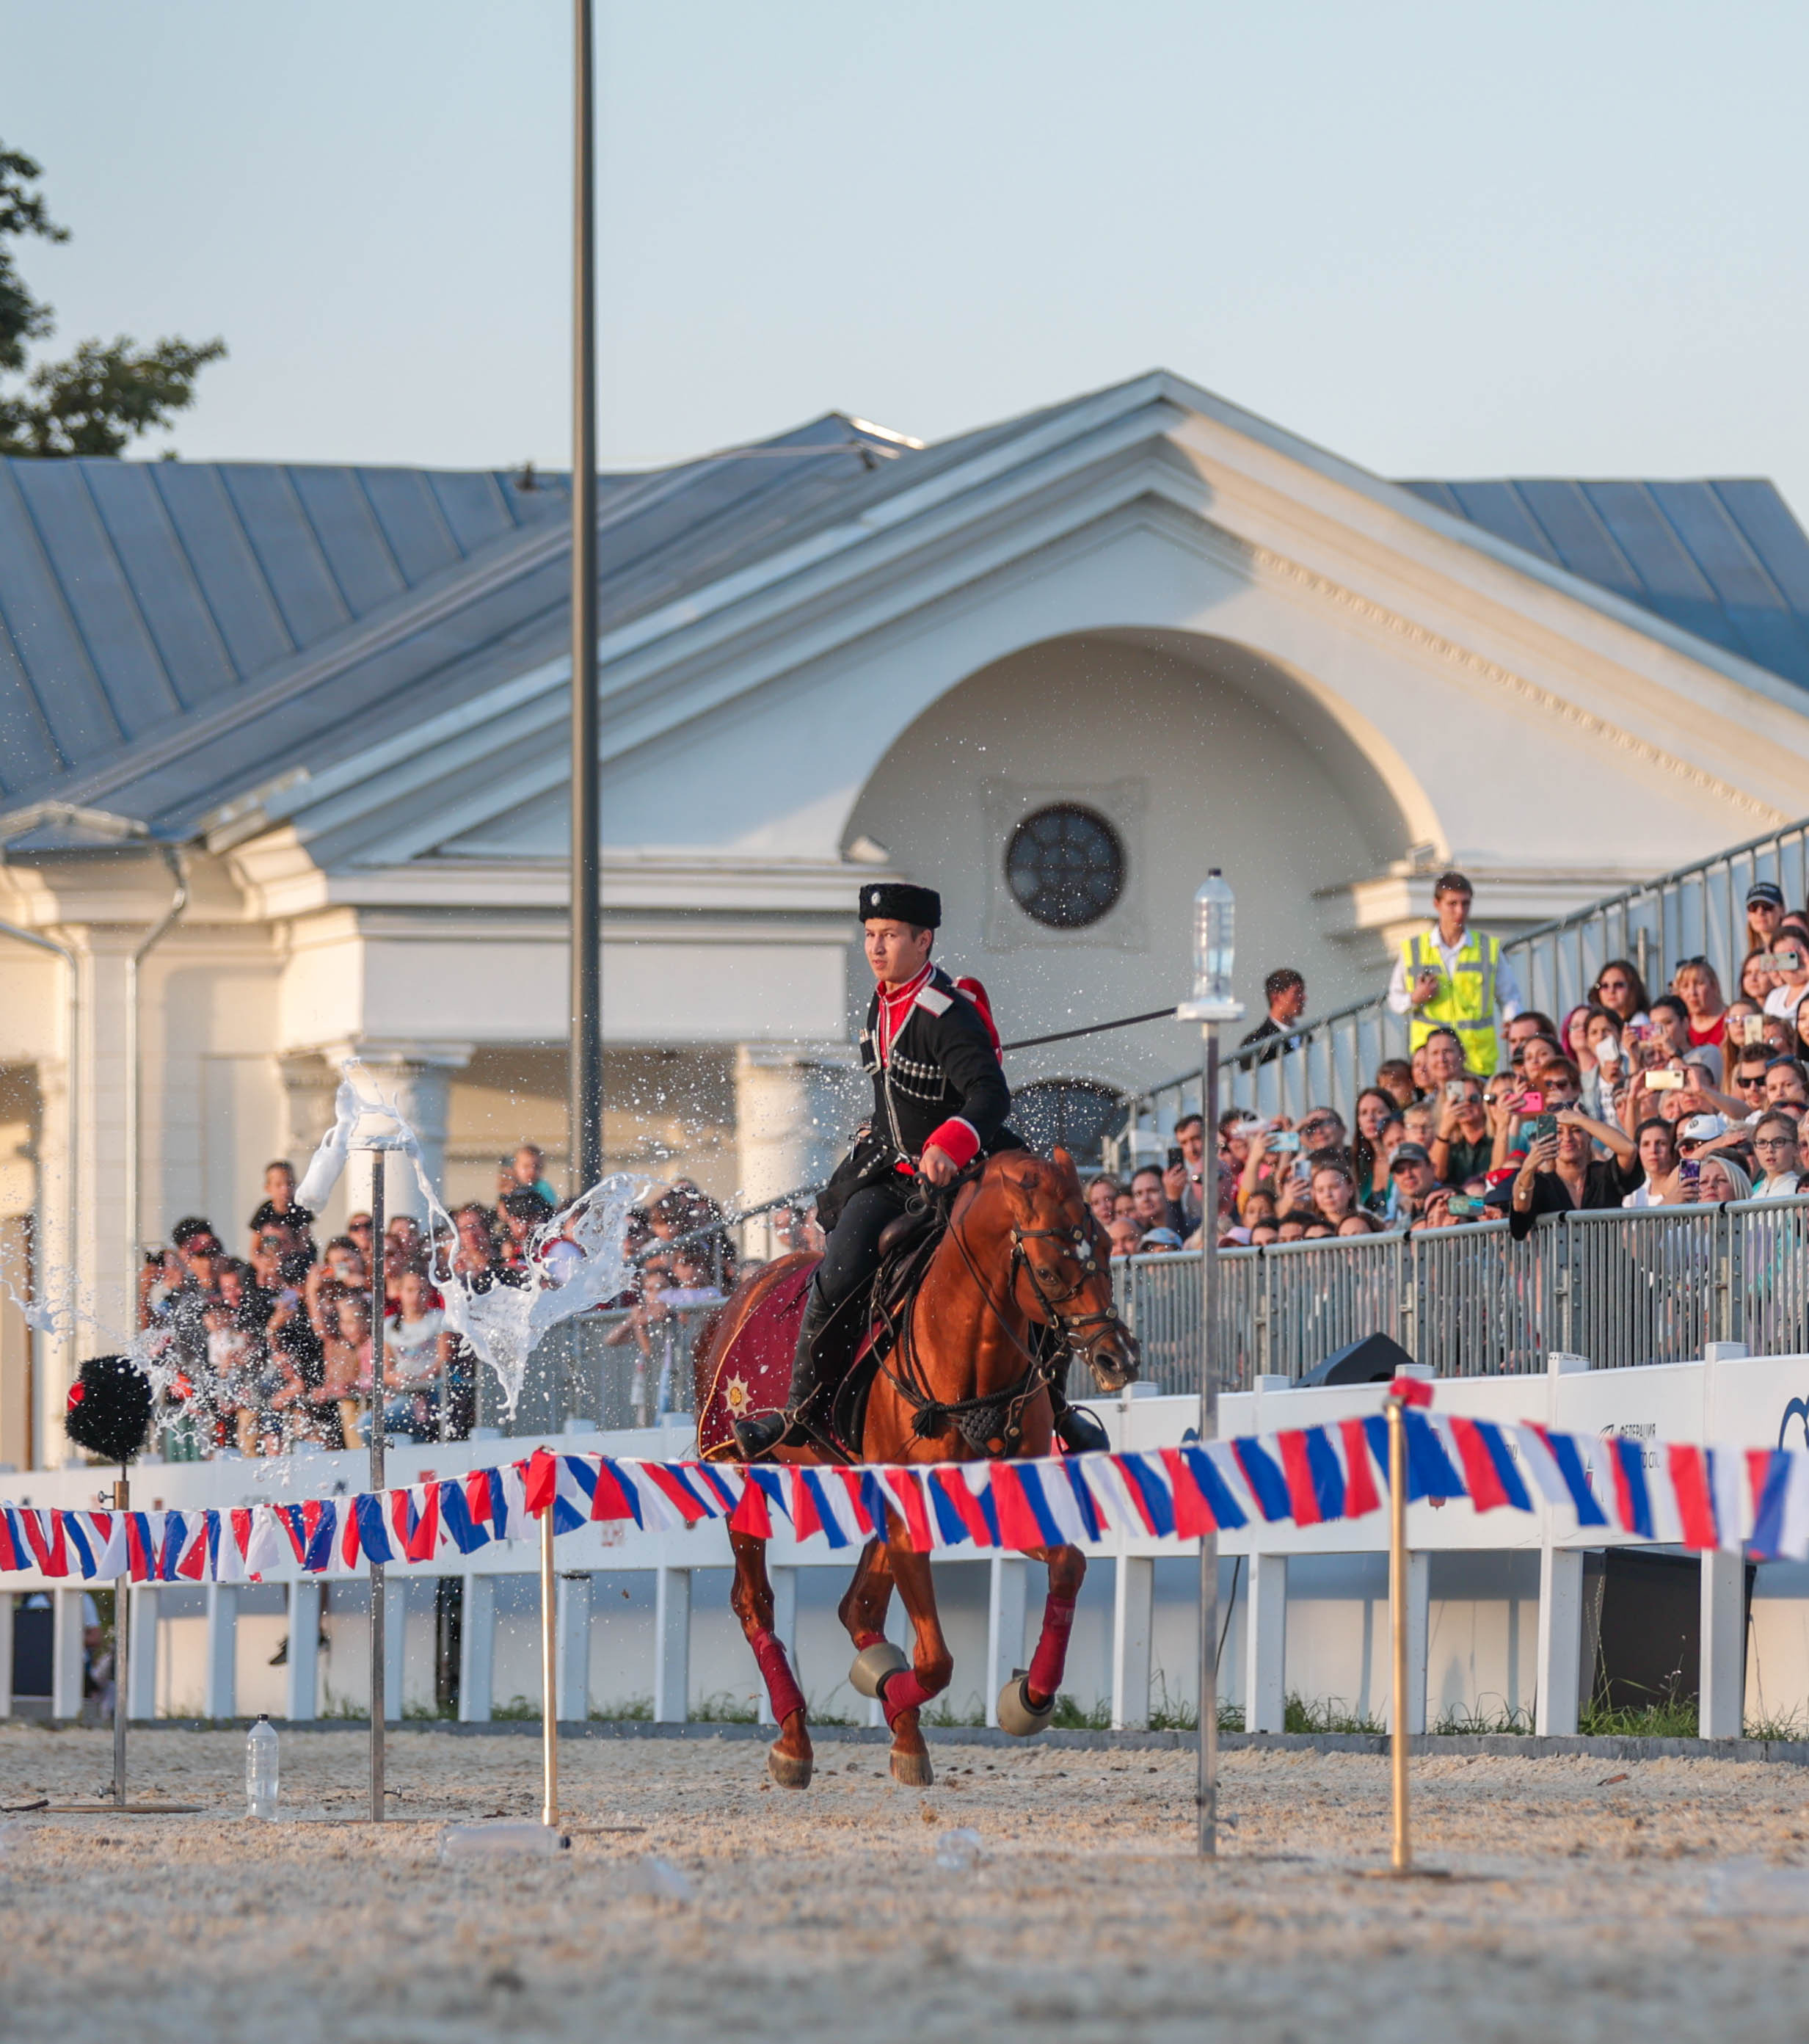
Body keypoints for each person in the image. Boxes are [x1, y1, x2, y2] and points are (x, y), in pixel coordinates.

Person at [737, 880, 1101, 1458]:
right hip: (892, 1170)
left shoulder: (946, 1013)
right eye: (870, 936)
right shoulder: (881, 1003)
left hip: (963, 1169)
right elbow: (897, 1096)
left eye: (888, 936)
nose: (875, 948)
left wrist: (948, 1145)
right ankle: (801, 1410)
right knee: (839, 1266)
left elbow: (988, 1094)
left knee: (1037, 1259)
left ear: (923, 940)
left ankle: (1056, 1410)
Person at [1387, 870, 1522, 1066]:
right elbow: (1395, 998)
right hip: (1432, 1061)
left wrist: (1512, 1023)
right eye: (1452, 904)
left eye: (1465, 903)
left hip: (1476, 1059)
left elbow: (1510, 996)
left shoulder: (1488, 948)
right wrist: (1415, 998)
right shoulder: (1413, 949)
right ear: (1437, 904)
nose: (1460, 911)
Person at [1497, 1106, 1641, 1239]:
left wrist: (1581, 1119)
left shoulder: (1604, 1174)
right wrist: (1527, 1168)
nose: (1567, 1138)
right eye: (1559, 1132)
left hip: (1608, 1264)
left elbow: (1629, 1149)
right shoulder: (1541, 1183)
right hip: (1559, 1265)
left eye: (1576, 1130)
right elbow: (1520, 1206)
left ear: (1590, 1136)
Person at [1240, 967, 1306, 1055]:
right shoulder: (1255, 1042)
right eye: (1297, 992)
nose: (1304, 997)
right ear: (1276, 998)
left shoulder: (1305, 1034)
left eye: (1302, 992)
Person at [1621, 1118, 1679, 1208]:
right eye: (1646, 1144)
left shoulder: (1683, 1186)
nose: (1653, 1150)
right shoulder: (1634, 1195)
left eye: (1661, 1143)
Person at [1748, 1112, 1802, 1199]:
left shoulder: (1799, 1191)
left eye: (1779, 1142)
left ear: (1796, 1148)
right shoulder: (1754, 1193)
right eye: (1762, 1142)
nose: (1769, 1149)